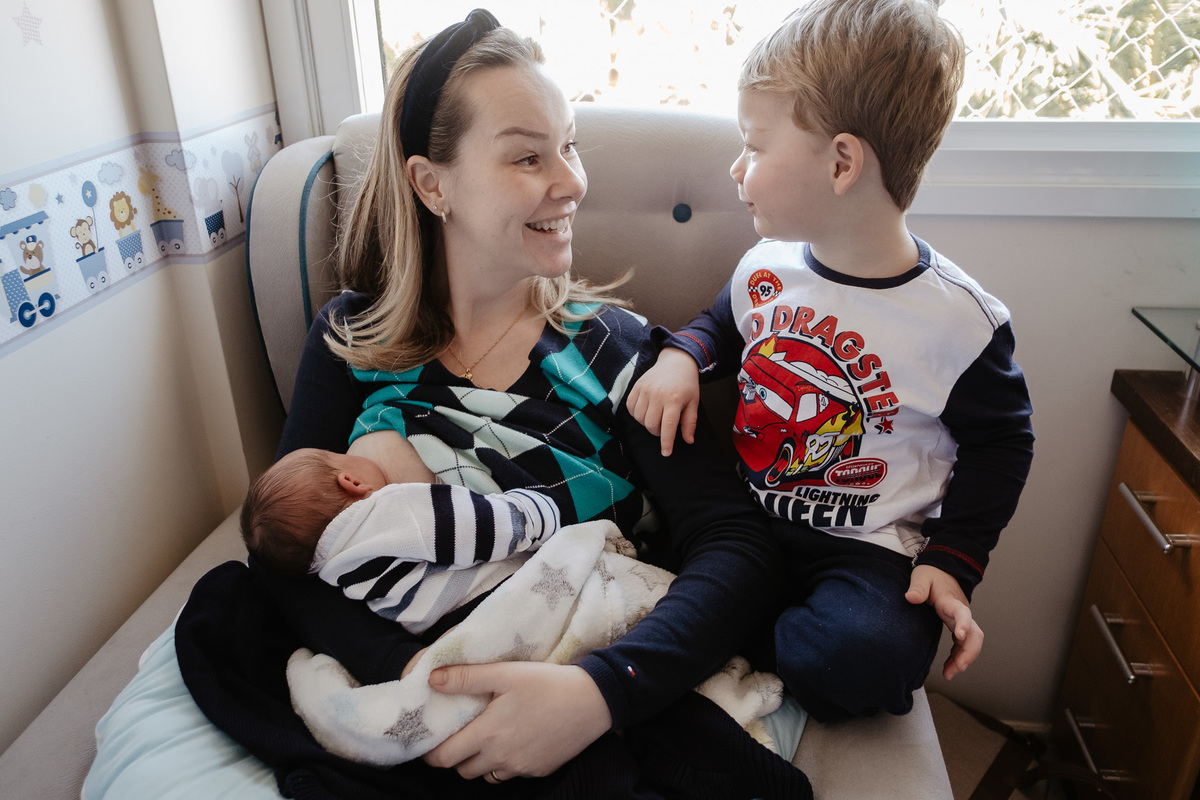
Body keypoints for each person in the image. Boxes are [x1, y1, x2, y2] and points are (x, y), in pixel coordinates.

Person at [176, 9, 810, 798]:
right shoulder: (353, 342)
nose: (572, 181)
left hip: (575, 653)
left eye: (570, 146)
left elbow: (738, 550)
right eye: (528, 157)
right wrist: (422, 677)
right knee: (221, 613)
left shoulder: (616, 352)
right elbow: (289, 555)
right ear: (430, 183)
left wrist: (596, 695)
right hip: (419, 669)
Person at [628, 0, 1035, 724]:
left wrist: (953, 560)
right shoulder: (768, 265)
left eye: (754, 146)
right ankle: (716, 614)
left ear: (842, 162)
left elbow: (1003, 443)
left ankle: (725, 628)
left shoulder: (960, 322)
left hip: (868, 553)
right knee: (635, 392)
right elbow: (721, 324)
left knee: (865, 661)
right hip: (743, 522)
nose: (735, 167)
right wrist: (683, 359)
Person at [238, 433, 561, 633]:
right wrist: (533, 511)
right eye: (338, 455)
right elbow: (477, 526)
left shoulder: (335, 573)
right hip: (498, 598)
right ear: (351, 481)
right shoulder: (391, 509)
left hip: (441, 629)